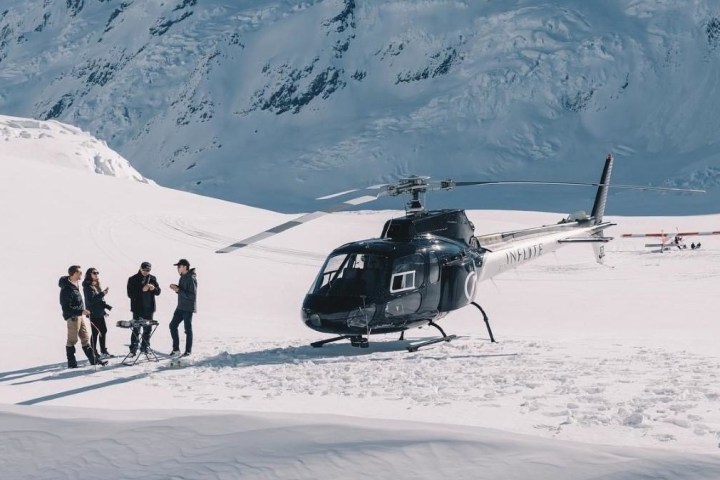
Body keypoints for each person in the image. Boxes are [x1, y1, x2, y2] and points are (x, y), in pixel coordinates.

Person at [59, 265, 107, 368]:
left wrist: (82, 312)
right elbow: (66, 308)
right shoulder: (66, 289)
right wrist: (81, 311)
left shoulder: (75, 285)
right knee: (72, 341)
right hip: (72, 318)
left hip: (79, 316)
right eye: (80, 273)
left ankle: (94, 360)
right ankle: (72, 364)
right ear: (74, 273)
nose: (82, 274)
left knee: (85, 338)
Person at [126, 261, 161, 355]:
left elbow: (158, 292)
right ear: (140, 268)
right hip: (137, 308)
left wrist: (154, 289)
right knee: (136, 329)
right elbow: (130, 294)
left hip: (149, 308)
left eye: (148, 270)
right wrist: (142, 290)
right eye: (144, 270)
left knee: (148, 330)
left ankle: (144, 348)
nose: (146, 272)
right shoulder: (132, 279)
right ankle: (133, 349)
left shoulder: (152, 278)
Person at [169, 259, 197, 357]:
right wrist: (176, 288)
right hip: (180, 307)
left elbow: (192, 296)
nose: (177, 269)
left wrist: (178, 290)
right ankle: (176, 349)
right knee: (172, 326)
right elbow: (183, 291)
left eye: (179, 266)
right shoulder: (182, 277)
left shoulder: (191, 278)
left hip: (188, 308)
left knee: (187, 329)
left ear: (185, 267)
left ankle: (188, 351)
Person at [82, 268, 112, 358]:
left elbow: (99, 300)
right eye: (94, 273)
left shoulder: (95, 284)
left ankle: (102, 351)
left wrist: (104, 310)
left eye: (97, 273)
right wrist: (103, 293)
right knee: (96, 332)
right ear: (89, 274)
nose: (96, 274)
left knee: (102, 330)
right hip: (93, 313)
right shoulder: (87, 286)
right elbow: (91, 300)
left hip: (99, 312)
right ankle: (94, 352)